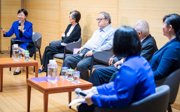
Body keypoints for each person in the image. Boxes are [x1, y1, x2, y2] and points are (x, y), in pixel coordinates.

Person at [77, 26, 156, 112]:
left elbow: (121, 100)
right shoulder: (141, 60)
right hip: (141, 105)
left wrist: (94, 98)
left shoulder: (128, 68)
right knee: (86, 105)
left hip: (133, 108)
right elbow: (117, 85)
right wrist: (96, 89)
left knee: (84, 107)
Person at [90, 20, 157, 86]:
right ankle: (93, 93)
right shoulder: (139, 40)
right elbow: (126, 51)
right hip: (125, 66)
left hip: (132, 70)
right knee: (97, 72)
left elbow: (137, 59)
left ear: (139, 33)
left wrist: (122, 61)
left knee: (113, 75)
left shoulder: (149, 44)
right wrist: (114, 57)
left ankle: (96, 95)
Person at [63, 11, 115, 80]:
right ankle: (66, 81)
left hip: (97, 55)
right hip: (86, 51)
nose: (98, 21)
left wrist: (93, 51)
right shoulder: (97, 30)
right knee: (68, 59)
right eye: (97, 19)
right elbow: (90, 42)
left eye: (100, 19)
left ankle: (86, 85)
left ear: (107, 20)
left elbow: (108, 46)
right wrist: (82, 47)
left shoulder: (112, 32)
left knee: (81, 65)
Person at [1, 8, 33, 75]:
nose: (20, 16)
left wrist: (23, 31)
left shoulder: (29, 24)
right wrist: (5, 33)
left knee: (19, 50)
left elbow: (29, 36)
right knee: (16, 49)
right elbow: (10, 33)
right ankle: (23, 62)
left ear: (25, 16)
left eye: (21, 15)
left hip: (27, 42)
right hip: (18, 42)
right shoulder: (15, 23)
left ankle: (18, 68)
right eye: (18, 15)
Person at [150, 13, 180, 80]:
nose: (162, 27)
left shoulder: (173, 49)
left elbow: (159, 74)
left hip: (154, 85)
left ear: (170, 28)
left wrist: (140, 76)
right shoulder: (173, 44)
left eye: (163, 24)